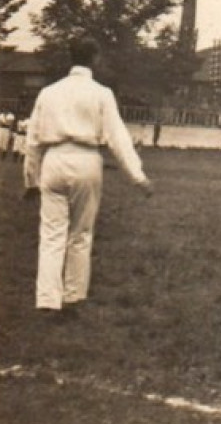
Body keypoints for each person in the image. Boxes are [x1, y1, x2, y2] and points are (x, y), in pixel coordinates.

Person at [22, 38, 154, 316]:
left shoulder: (48, 92)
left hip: (54, 160)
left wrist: (30, 180)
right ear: (94, 58)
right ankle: (73, 297)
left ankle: (47, 300)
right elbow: (117, 137)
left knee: (51, 235)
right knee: (80, 234)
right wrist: (137, 176)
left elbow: (32, 140)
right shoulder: (101, 93)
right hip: (85, 160)